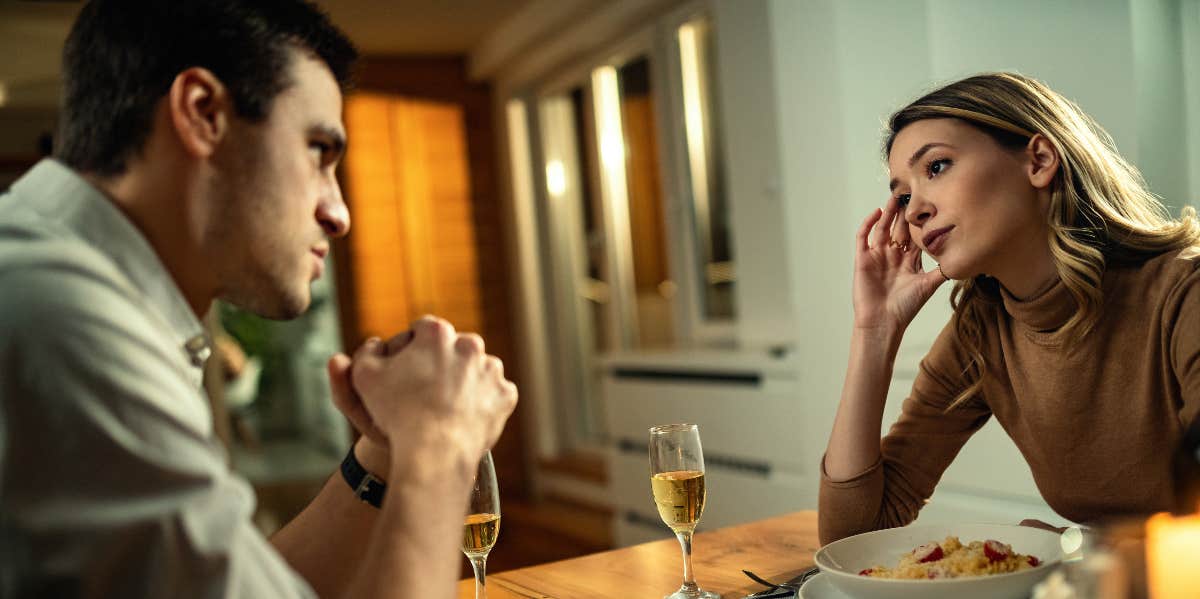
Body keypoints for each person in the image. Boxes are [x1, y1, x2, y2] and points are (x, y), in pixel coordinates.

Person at [0, 1, 518, 597]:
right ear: (202, 114)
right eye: (319, 152)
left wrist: (385, 456)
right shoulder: (68, 324)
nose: (339, 213)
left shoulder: (65, 284)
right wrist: (440, 442)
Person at [819, 72, 1200, 545]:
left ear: (1039, 161)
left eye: (936, 167)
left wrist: (1080, 551)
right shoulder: (982, 331)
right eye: (902, 194)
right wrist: (873, 333)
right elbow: (851, 536)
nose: (915, 210)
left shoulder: (1185, 293)